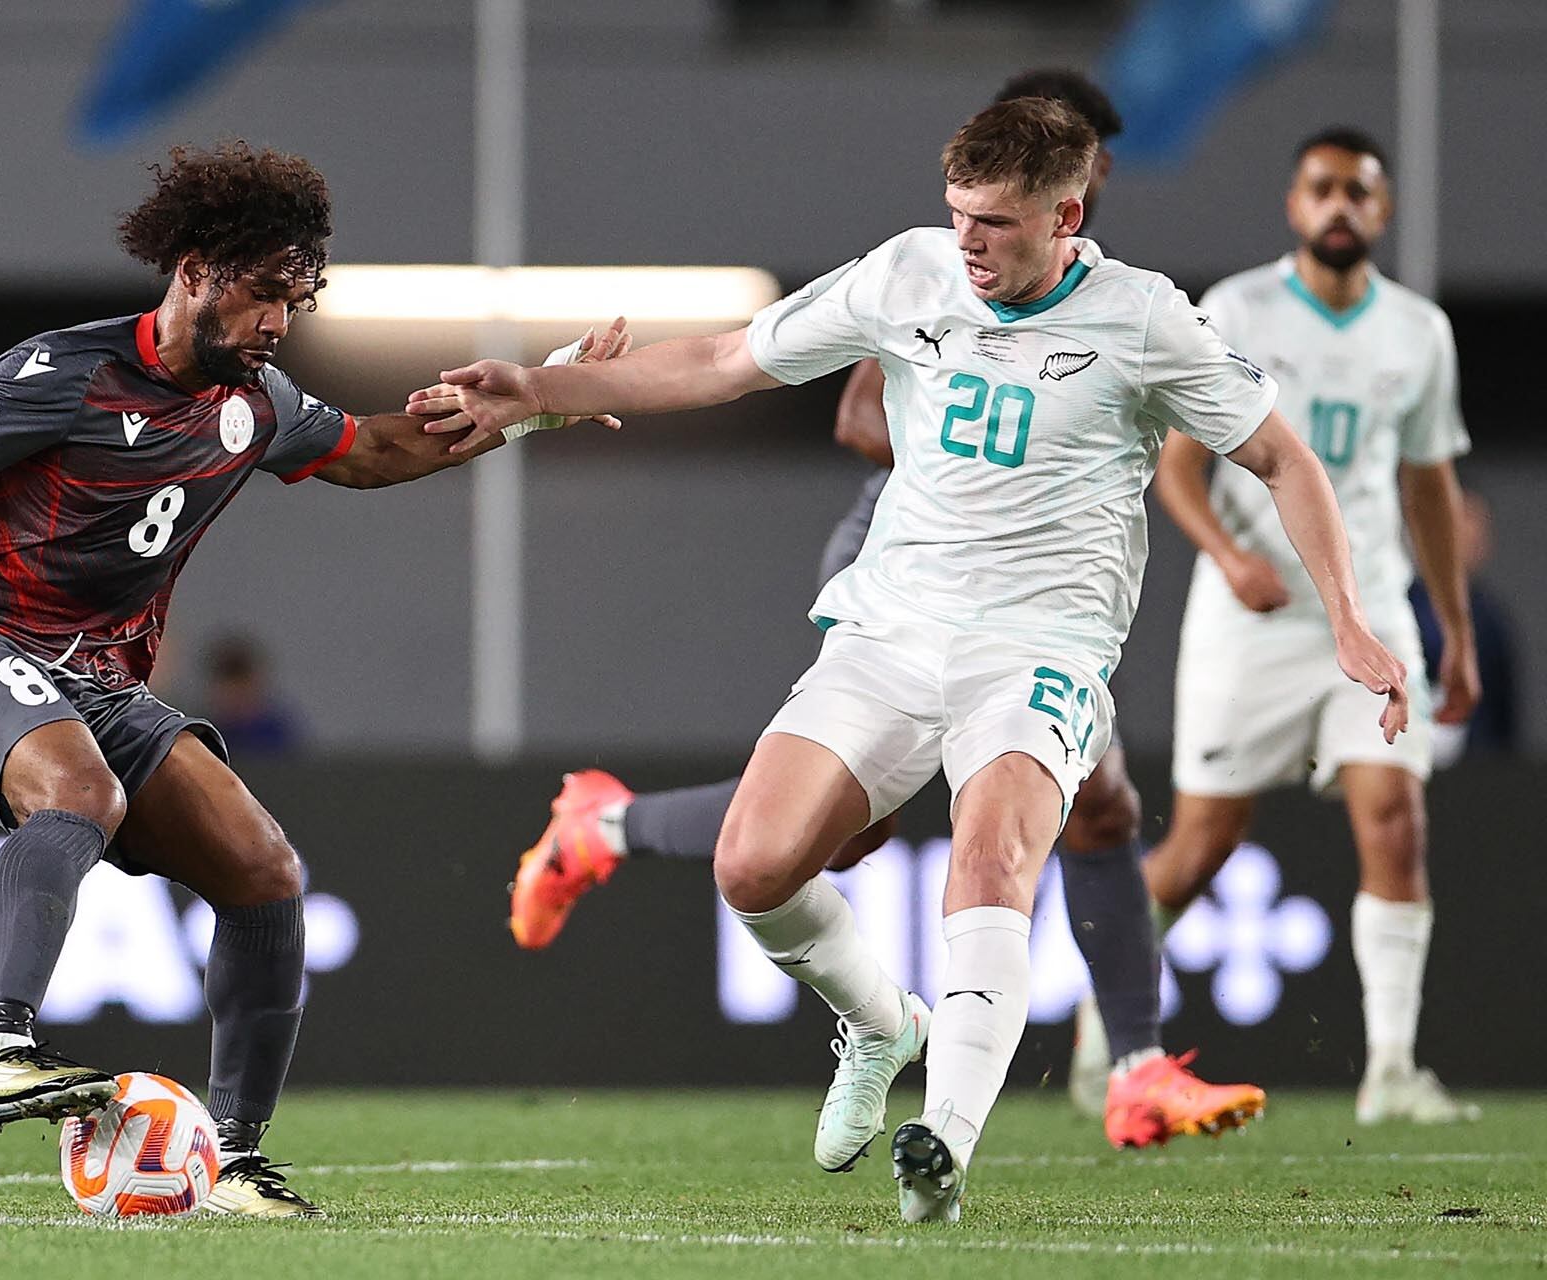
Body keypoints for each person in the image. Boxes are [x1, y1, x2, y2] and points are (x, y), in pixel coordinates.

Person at [409, 98, 1407, 1223]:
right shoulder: (910, 273)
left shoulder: (1144, 321)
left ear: (1066, 214)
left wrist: (1349, 618)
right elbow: (729, 360)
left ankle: (947, 1140)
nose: (968, 240)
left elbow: (1285, 457)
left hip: (1042, 646)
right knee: (753, 864)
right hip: (892, 627)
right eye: (957, 215)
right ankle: (886, 1023)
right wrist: (544, 390)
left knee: (991, 865)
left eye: (994, 220)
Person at [0, 141, 627, 1219]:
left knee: (264, 869)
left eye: (295, 303)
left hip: (100, 684)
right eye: (264, 295)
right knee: (80, 794)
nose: (277, 325)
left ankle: (238, 1161)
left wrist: (544, 396)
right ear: (198, 267)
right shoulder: (61, 370)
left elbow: (383, 449)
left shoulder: (256, 402)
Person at [501, 68, 1260, 1151]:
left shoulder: (1102, 292)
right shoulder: (935, 274)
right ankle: (607, 822)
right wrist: (992, 439)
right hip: (907, 558)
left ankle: (1132, 1064)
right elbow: (859, 410)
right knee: (842, 831)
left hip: (1030, 601)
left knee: (1093, 803)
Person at [1136, 127, 1479, 1125]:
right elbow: (1178, 465)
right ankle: (1112, 1029)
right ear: (1295, 205)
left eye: (1358, 191)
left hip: (1368, 611)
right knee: (1202, 842)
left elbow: (1429, 487)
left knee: (1394, 818)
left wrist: (1451, 626)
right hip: (1254, 616)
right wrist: (1228, 554)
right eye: (1322, 188)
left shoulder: (1419, 332)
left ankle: (1392, 1068)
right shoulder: (1235, 310)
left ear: (1382, 210)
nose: (1339, 205)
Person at [1409, 490, 1519, 761]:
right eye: (1456, 519)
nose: (1466, 534)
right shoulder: (1400, 610)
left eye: (1474, 522)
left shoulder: (1491, 621)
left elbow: (1502, 714)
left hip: (1474, 773)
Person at [204, 634, 306, 755]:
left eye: (242, 687)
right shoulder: (205, 735)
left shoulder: (277, 734)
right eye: (229, 688)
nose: (236, 697)